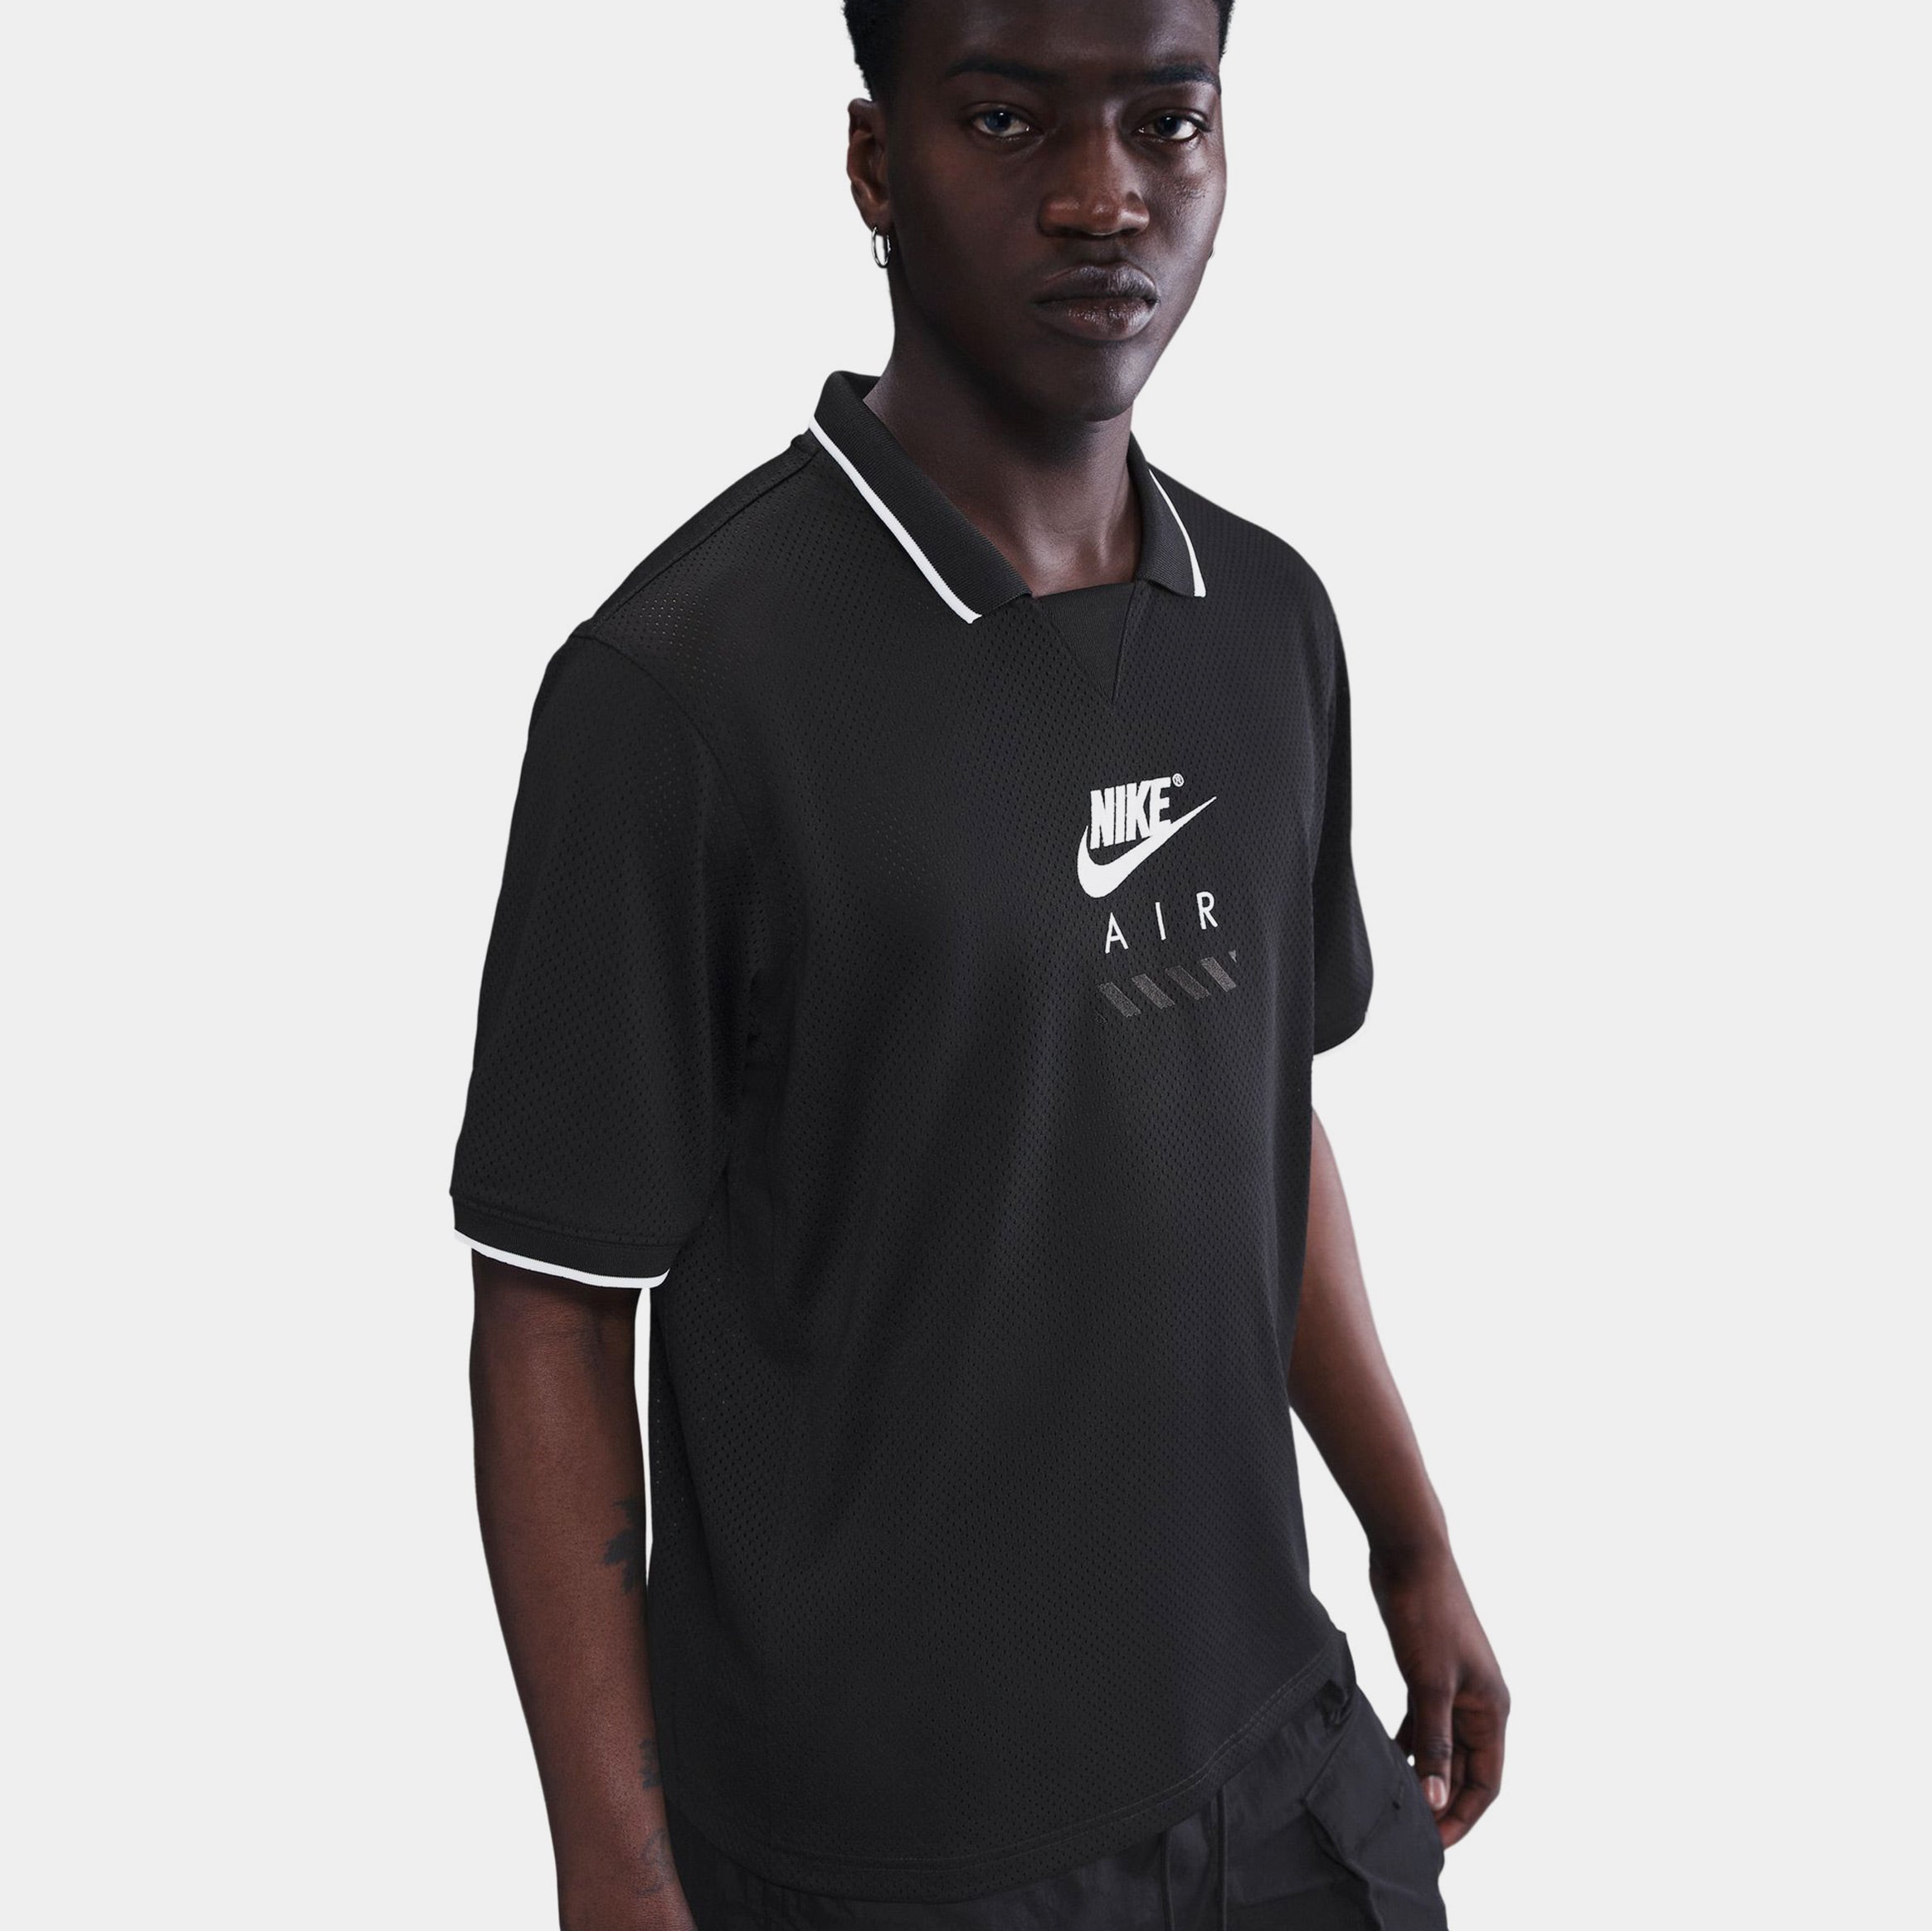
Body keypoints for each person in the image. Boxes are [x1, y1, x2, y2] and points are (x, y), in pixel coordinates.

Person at [451, 2, 1509, 1924]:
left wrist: (1409, 1533)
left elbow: (1251, 1118)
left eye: (1166, 120)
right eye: (1011, 120)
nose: (1104, 197)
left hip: (1280, 1770)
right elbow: (553, 1304)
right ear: (877, 164)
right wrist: (610, 1862)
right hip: (884, 1852)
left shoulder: (1268, 624)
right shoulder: (676, 693)